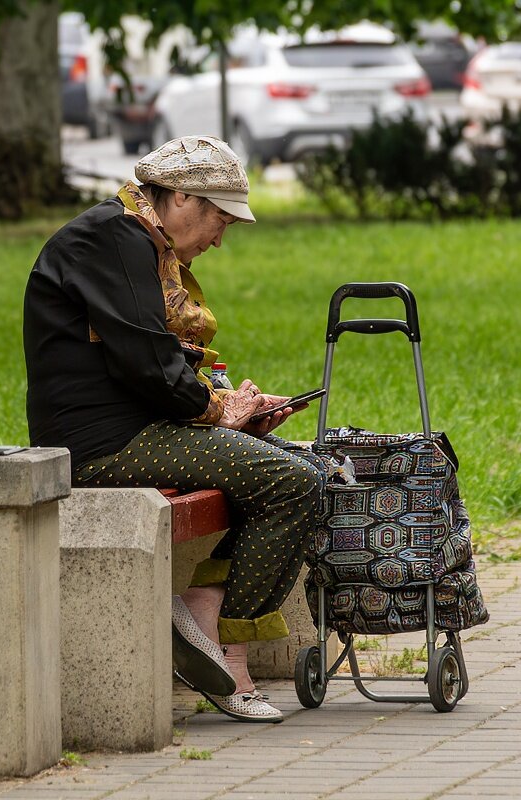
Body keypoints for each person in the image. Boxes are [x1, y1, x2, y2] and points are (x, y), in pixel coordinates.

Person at [23, 135, 327, 723]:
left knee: (311, 468)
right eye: (220, 220)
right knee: (292, 481)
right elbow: (149, 365)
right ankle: (222, 640)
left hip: (141, 428)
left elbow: (159, 363)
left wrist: (232, 406)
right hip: (103, 447)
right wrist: (220, 413)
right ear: (182, 197)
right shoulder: (109, 239)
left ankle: (205, 610)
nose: (219, 239)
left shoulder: (132, 238)